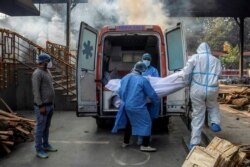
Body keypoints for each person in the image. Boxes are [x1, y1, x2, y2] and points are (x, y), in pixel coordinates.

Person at [180, 42, 222, 150]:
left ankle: (194, 143)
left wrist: (186, 81)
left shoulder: (195, 58)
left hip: (197, 89)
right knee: (213, 106)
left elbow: (186, 73)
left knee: (198, 115)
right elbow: (219, 74)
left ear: (199, 49)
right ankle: (215, 123)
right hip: (212, 88)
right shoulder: (216, 60)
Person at [112, 61, 160, 152]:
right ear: (142, 71)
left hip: (126, 105)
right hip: (138, 107)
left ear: (134, 68)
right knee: (147, 123)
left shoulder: (125, 78)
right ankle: (145, 145)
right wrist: (156, 102)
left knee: (129, 123)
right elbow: (152, 94)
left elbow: (121, 92)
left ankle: (125, 142)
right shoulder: (143, 80)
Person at [32, 53, 57, 159]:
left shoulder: (47, 72)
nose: (50, 62)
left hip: (50, 105)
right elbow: (36, 91)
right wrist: (40, 105)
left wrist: (52, 102)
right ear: (43, 62)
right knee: (40, 128)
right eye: (48, 60)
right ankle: (39, 149)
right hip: (42, 106)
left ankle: (46, 145)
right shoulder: (37, 74)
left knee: (46, 127)